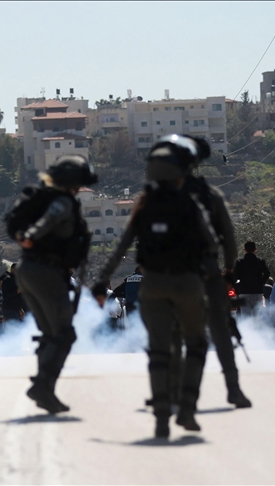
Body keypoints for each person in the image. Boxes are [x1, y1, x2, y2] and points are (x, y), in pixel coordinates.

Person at [94, 135, 219, 438]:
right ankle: (187, 408)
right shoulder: (189, 203)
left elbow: (121, 247)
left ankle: (162, 417)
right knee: (196, 345)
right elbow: (211, 244)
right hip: (187, 283)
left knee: (158, 351)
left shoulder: (144, 205)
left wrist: (101, 283)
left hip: (153, 286)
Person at [6, 155, 97, 414]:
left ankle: (44, 388)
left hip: (26, 270)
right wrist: (32, 235)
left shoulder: (42, 196)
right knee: (65, 335)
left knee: (51, 334)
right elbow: (48, 220)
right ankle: (43, 386)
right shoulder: (62, 202)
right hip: (46, 272)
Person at [180, 135, 252, 408]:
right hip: (207, 273)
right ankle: (233, 389)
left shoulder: (159, 196)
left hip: (171, 275)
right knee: (221, 332)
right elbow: (230, 240)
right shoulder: (210, 195)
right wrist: (230, 270)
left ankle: (174, 392)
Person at [233, 240, 270, 316]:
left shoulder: (240, 261)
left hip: (244, 292)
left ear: (245, 250)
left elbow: (235, 276)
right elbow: (267, 273)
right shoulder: (260, 261)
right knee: (256, 317)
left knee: (246, 317)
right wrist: (261, 282)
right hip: (257, 292)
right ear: (255, 249)